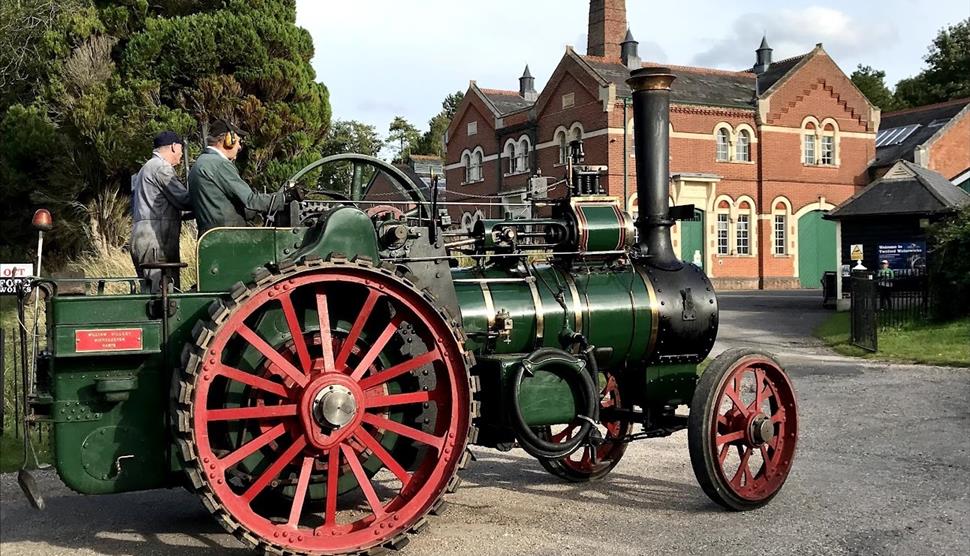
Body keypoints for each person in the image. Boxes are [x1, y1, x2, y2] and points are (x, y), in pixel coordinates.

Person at [188, 120, 288, 235]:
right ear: (228, 140)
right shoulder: (219, 164)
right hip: (229, 239)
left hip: (212, 238)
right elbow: (250, 200)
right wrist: (284, 198)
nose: (239, 147)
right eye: (238, 142)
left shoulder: (200, 163)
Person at [131, 130, 192, 292]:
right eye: (180, 149)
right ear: (173, 147)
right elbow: (183, 200)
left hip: (145, 238)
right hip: (156, 241)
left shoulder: (147, 168)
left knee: (152, 292)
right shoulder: (161, 167)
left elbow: (165, 208)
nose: (180, 156)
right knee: (163, 297)